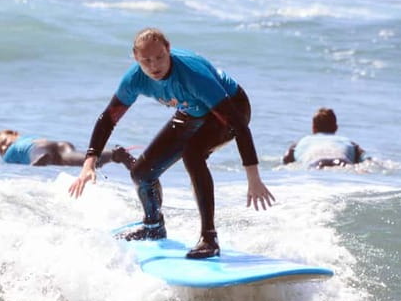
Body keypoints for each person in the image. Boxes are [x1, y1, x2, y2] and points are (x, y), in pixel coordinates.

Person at [68, 28, 275, 259]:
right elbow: (109, 118)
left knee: (192, 153)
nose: (154, 66)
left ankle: (209, 238)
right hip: (191, 110)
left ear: (169, 51)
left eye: (160, 57)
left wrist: (253, 178)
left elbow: (238, 124)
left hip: (231, 108)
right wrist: (89, 162)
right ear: (136, 58)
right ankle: (153, 227)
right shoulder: (134, 79)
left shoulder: (192, 75)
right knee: (142, 174)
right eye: (146, 60)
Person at [0, 129, 135, 168]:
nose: (4, 147)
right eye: (0, 149)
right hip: (60, 145)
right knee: (78, 158)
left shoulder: (10, 153)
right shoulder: (31, 137)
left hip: (38, 150)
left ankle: (40, 160)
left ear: (15, 134)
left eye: (4, 142)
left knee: (37, 155)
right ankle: (114, 154)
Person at [282, 108, 367, 168]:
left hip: (315, 163)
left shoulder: (300, 143)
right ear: (336, 127)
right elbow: (365, 158)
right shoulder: (348, 142)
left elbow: (286, 159)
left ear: (313, 128)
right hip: (342, 162)